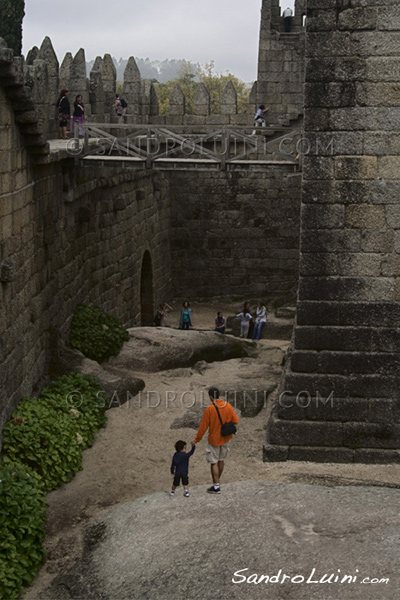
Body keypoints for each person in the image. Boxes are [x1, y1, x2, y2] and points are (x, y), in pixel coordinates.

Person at [192, 387, 239, 494]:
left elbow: (203, 427)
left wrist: (196, 440)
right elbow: (236, 420)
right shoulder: (227, 406)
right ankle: (218, 481)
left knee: (214, 462)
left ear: (211, 397)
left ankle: (216, 486)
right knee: (221, 460)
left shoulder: (210, 409)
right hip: (226, 437)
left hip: (214, 439)